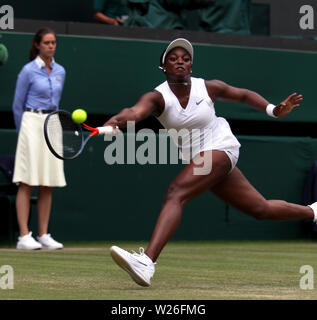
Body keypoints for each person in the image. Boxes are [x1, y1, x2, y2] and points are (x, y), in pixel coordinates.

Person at [105, 38, 317, 287]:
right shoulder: (157, 97)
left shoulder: (207, 87)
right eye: (173, 59)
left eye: (185, 58)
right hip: (202, 160)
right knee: (261, 209)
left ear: (191, 65)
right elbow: (134, 113)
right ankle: (313, 211)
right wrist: (115, 121)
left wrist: (274, 109)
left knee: (176, 193)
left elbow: (243, 95)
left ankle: (147, 262)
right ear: (164, 67)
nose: (180, 62)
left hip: (221, 147)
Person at [12, 28, 66, 250]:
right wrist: (22, 134)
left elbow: (57, 101)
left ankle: (43, 235)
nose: (51, 46)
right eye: (46, 42)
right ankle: (24, 236)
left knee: (48, 182)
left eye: (53, 42)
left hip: (52, 123)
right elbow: (17, 105)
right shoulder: (27, 71)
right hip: (31, 123)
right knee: (27, 180)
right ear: (37, 45)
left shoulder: (61, 70)